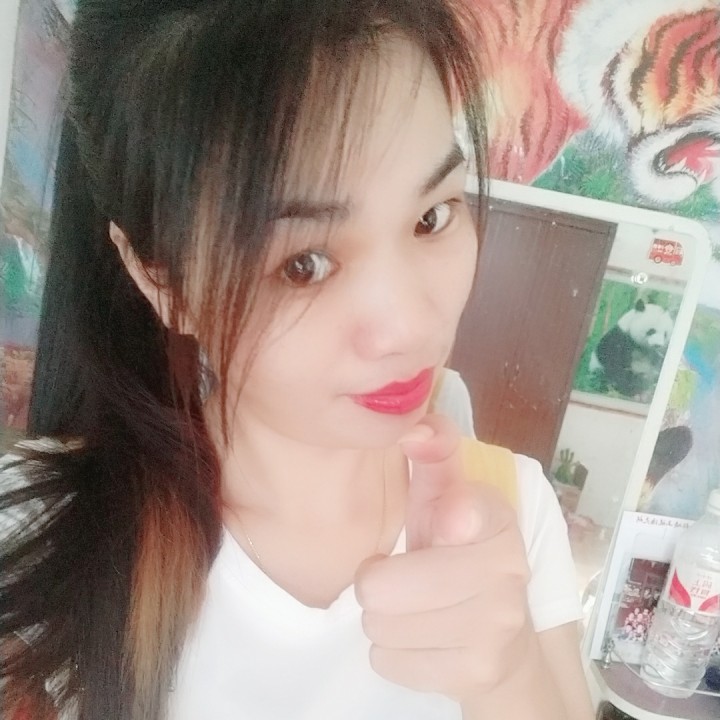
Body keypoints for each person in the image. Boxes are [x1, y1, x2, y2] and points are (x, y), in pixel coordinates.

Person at [0, 1, 595, 719]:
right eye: (303, 264)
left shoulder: (513, 514)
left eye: (430, 217)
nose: (409, 326)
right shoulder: (36, 537)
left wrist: (508, 680)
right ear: (162, 281)